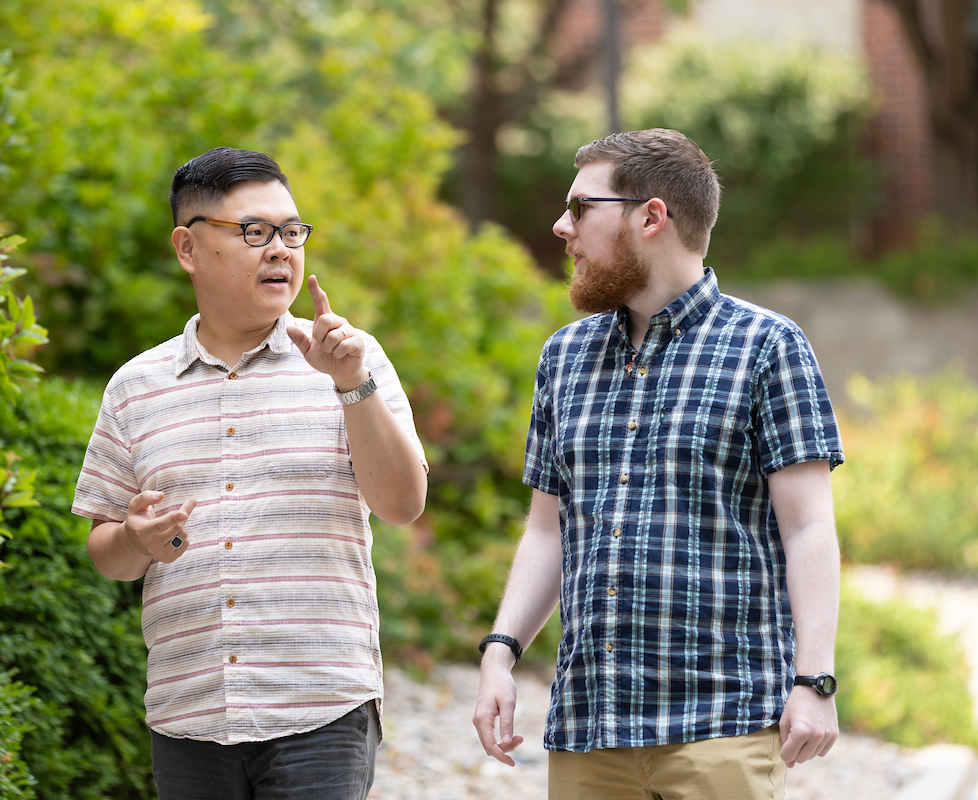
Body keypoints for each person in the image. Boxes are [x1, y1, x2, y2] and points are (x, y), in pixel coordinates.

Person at [472, 128, 844, 799]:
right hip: (591, 727)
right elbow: (547, 531)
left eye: (581, 208)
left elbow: (809, 529)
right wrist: (500, 653)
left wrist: (814, 681)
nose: (562, 227)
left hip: (722, 726)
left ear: (651, 216)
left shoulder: (768, 347)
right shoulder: (564, 357)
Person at [72, 147, 428, 800]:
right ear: (188, 247)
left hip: (321, 708)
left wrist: (351, 385)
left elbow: (403, 503)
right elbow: (108, 555)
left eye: (292, 233)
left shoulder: (351, 357)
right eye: (254, 233)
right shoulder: (136, 386)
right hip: (189, 715)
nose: (280, 251)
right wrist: (134, 540)